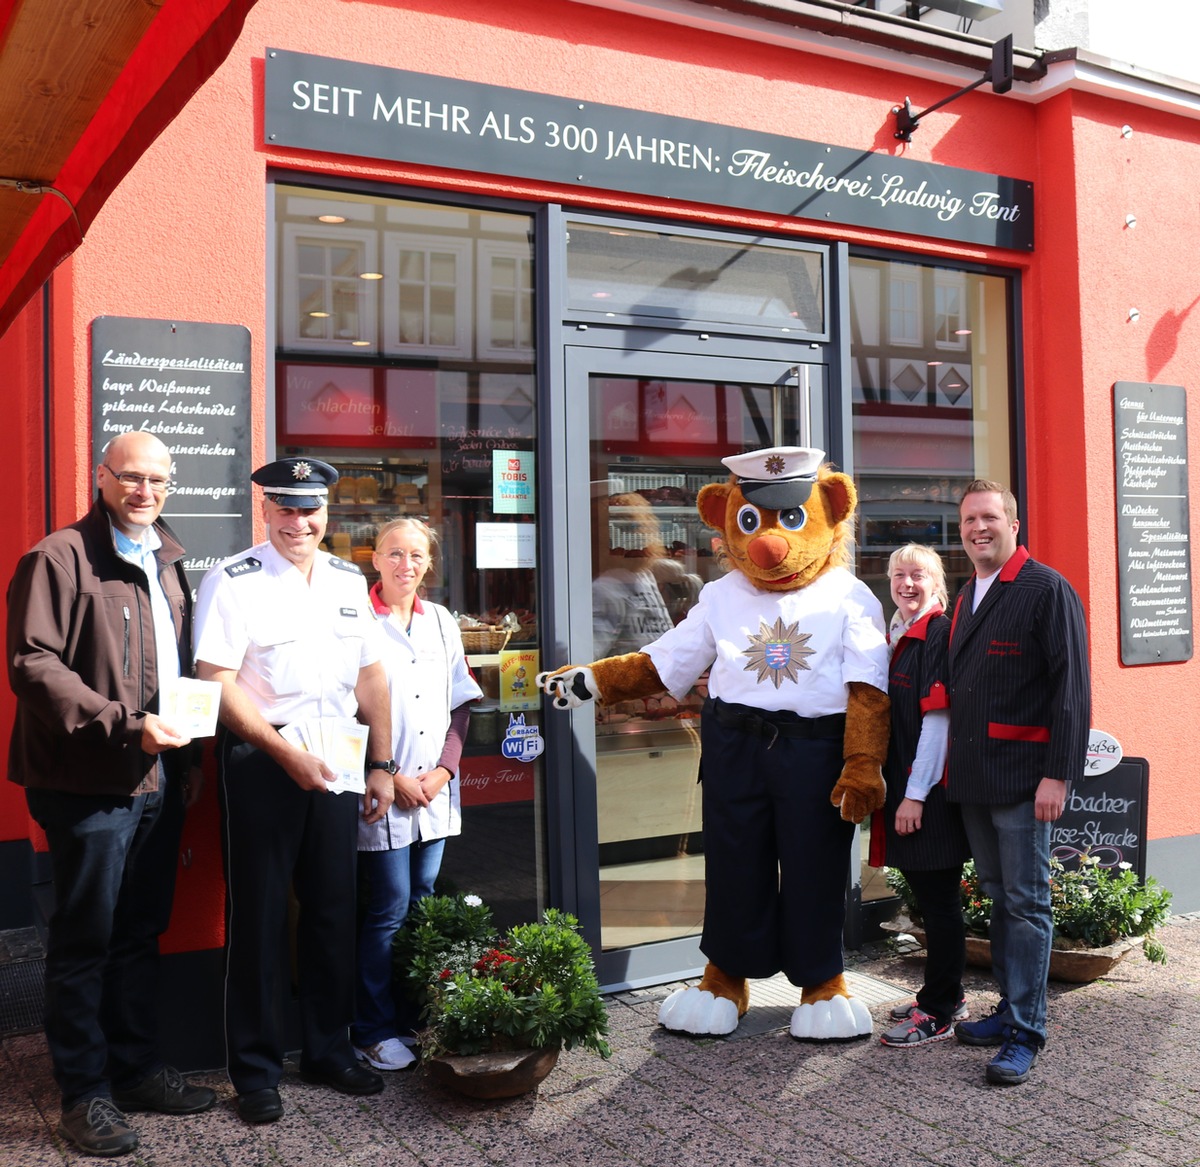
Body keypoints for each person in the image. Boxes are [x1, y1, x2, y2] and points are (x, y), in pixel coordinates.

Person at [6, 431, 215, 1157]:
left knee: (137, 932)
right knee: (84, 939)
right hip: (85, 780)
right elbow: (32, 665)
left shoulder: (168, 559)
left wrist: (186, 751)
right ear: (102, 476)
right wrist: (125, 724)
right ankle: (84, 1093)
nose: (145, 490)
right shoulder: (60, 556)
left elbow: (180, 661)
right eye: (130, 476)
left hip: (159, 778)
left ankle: (133, 1070)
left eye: (158, 478)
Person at [193, 457, 396, 1124]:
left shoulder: (346, 579)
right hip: (262, 752)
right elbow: (215, 680)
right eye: (284, 508)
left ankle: (328, 1050)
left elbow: (372, 680)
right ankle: (255, 1070)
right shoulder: (234, 579)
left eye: (308, 509)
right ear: (265, 511)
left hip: (336, 749)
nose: (297, 521)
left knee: (334, 908)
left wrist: (382, 763)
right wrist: (284, 754)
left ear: (327, 514)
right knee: (259, 915)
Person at [947, 480, 1090, 1085]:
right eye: (968, 521)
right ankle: (1010, 1010)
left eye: (988, 517)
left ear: (1013, 523)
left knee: (1028, 905)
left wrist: (1058, 775)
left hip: (1027, 779)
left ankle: (1027, 1033)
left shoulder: (1045, 589)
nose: (978, 528)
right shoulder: (966, 593)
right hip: (977, 780)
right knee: (1002, 900)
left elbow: (1072, 691)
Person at [352, 518, 482, 1071]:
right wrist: (388, 772)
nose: (406, 564)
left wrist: (444, 773)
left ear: (430, 563)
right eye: (394, 553)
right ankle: (372, 1029)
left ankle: (415, 1018)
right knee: (387, 909)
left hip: (433, 791)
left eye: (417, 556)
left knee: (423, 906)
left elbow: (461, 703)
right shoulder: (357, 618)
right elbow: (342, 706)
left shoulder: (442, 620)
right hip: (384, 788)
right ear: (374, 559)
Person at [870, 544, 971, 1048]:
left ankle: (939, 1011)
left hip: (926, 794)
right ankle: (944, 994)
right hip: (905, 791)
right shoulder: (895, 634)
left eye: (919, 575)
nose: (907, 584)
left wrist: (914, 796)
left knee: (939, 901)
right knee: (931, 900)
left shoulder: (935, 634)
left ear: (937, 582)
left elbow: (938, 722)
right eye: (898, 575)